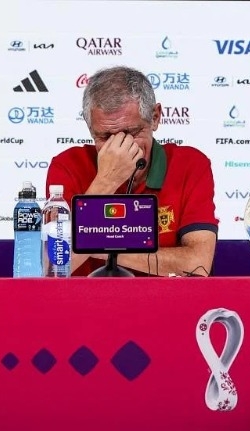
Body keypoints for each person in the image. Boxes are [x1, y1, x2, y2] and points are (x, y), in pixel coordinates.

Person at [46, 66, 218, 276]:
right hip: (88, 296)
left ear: (155, 117)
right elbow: (54, 266)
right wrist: (106, 181)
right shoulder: (68, 166)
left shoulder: (190, 164)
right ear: (90, 128)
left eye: (132, 132)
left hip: (162, 296)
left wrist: (101, 245)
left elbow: (197, 265)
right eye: (105, 137)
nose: (120, 147)